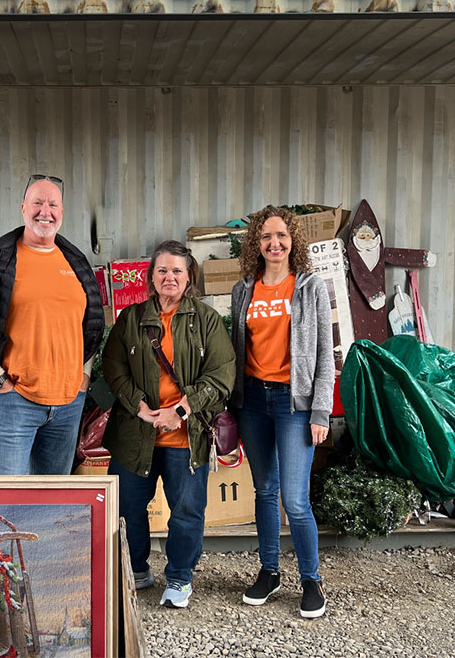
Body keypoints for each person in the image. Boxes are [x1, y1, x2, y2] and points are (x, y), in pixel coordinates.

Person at [102, 240, 235, 609]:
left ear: (189, 276)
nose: (169, 277)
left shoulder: (206, 320)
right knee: (127, 508)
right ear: (151, 277)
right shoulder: (131, 318)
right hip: (135, 435)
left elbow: (222, 375)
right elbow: (113, 367)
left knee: (187, 512)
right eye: (162, 270)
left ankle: (179, 577)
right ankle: (137, 569)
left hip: (185, 437)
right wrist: (141, 408)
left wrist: (180, 410)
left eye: (177, 270)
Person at [0, 173, 104, 475]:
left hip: (67, 404)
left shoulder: (74, 262)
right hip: (13, 401)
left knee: (50, 507)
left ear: (61, 213)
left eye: (52, 204)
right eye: (37, 202)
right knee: (2, 504)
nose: (44, 211)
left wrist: (83, 379)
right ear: (23, 208)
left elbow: (89, 326)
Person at [230, 206, 335, 619]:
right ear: (256, 244)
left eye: (282, 236)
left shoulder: (309, 287)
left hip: (296, 403)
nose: (274, 243)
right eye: (266, 237)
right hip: (253, 401)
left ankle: (311, 579)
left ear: (293, 241)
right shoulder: (244, 289)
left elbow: (326, 355)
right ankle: (270, 571)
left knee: (295, 499)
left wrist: (320, 412)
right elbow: (237, 351)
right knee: (265, 491)